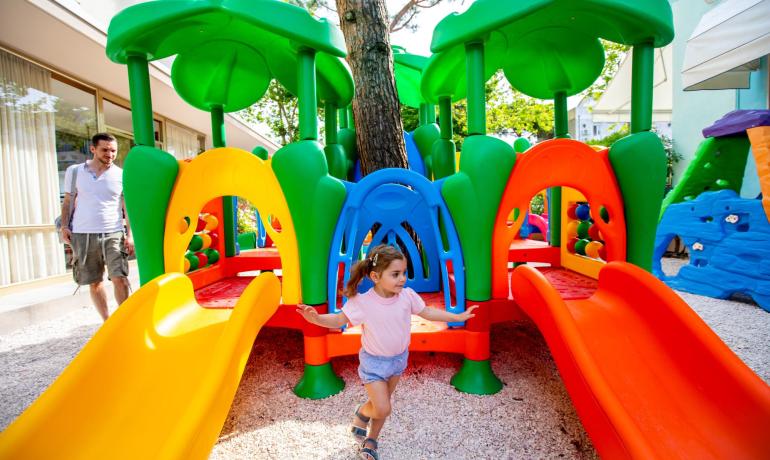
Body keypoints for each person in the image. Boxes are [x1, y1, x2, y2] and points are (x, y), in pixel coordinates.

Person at [297, 244, 477, 460]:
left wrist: (457, 317)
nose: (402, 279)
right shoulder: (362, 302)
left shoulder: (407, 296)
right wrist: (316, 319)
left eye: (403, 273)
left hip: (398, 361)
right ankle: (362, 413)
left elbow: (427, 312)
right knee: (382, 408)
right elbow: (338, 320)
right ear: (375, 276)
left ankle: (371, 440)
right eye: (395, 274)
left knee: (384, 404)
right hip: (373, 364)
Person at [60, 133, 134, 321]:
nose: (110, 154)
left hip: (113, 232)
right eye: (105, 150)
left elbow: (127, 207)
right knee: (94, 282)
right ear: (93, 149)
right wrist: (64, 226)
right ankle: (107, 322)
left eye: (113, 150)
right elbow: (68, 201)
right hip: (83, 233)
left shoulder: (121, 174)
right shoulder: (75, 171)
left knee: (121, 278)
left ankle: (124, 321)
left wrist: (130, 234)